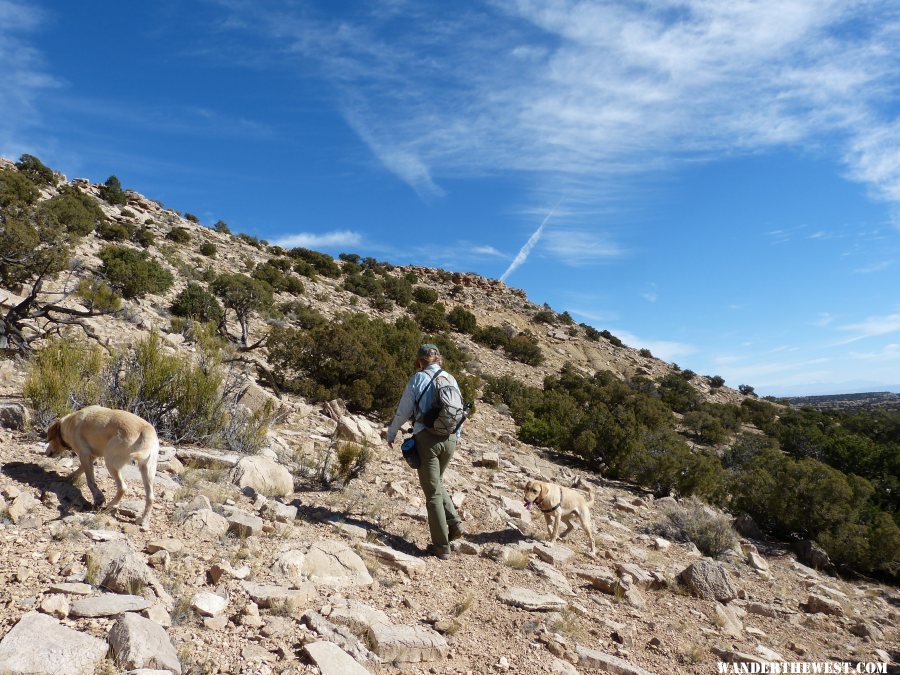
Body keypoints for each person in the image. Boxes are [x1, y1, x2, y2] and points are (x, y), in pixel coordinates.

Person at [386, 343, 464, 560]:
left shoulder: (418, 379)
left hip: (427, 439)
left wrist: (391, 433)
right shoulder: (450, 378)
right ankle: (454, 523)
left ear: (420, 361)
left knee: (432, 494)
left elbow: (404, 410)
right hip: (450, 439)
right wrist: (456, 437)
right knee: (436, 483)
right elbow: (460, 411)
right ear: (438, 359)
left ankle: (441, 547)